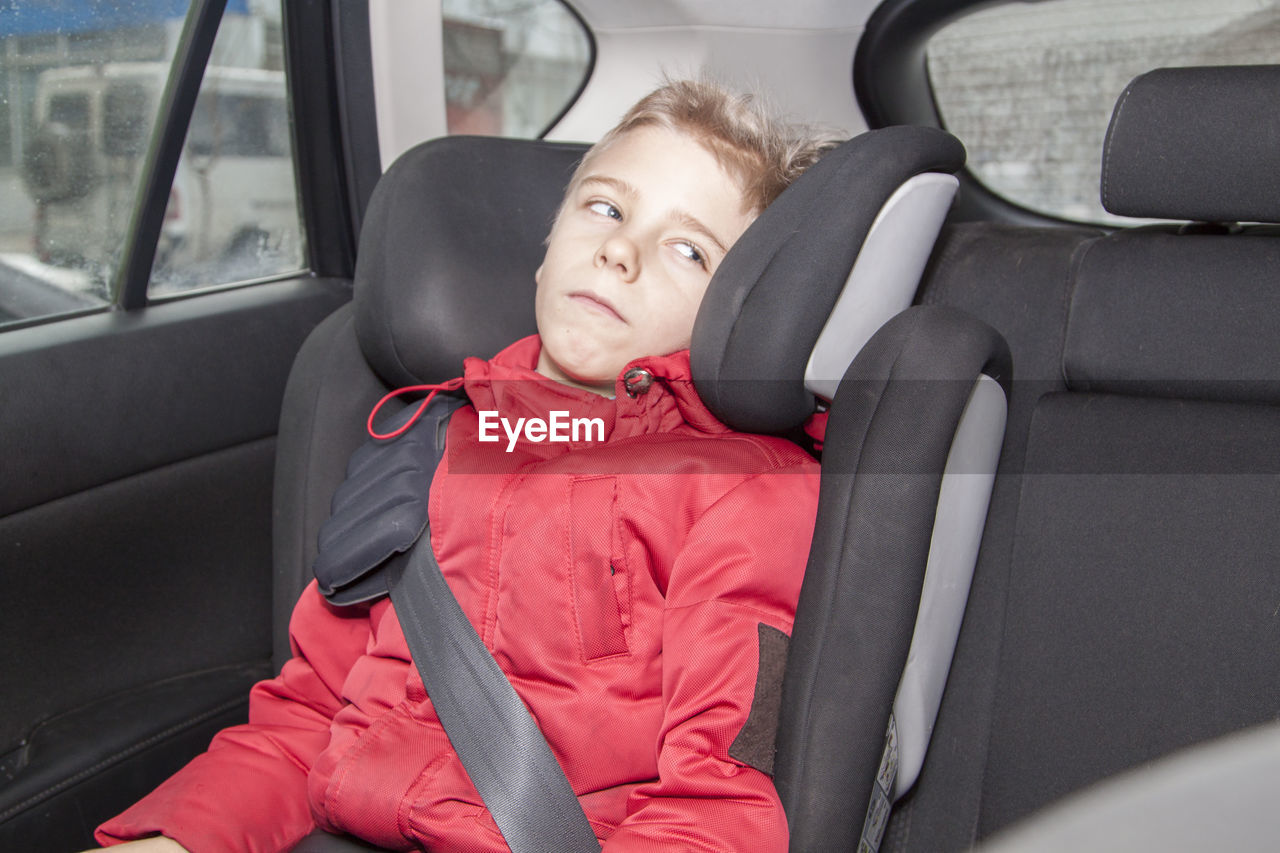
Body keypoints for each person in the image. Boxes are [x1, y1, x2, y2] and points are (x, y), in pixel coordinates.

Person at [93, 79, 830, 852]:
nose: (620, 249)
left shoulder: (746, 491)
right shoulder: (429, 441)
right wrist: (175, 838)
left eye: (688, 249)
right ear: (546, 254)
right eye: (606, 208)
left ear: (741, 318)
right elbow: (306, 720)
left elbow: (718, 808)